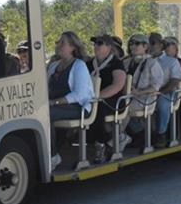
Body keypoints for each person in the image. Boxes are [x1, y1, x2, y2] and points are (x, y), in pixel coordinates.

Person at [47, 31, 94, 170]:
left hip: (78, 107)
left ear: (73, 47)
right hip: (58, 107)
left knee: (45, 114)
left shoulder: (79, 66)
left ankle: (53, 156)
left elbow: (79, 95)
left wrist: (54, 102)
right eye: (58, 42)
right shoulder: (53, 66)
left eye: (63, 43)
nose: (58, 46)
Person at [86, 34, 127, 163]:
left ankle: (100, 144)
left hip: (113, 101)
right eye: (95, 43)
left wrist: (98, 97)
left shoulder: (116, 63)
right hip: (92, 98)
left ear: (109, 46)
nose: (95, 46)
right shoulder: (89, 64)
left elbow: (118, 85)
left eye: (99, 43)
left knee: (98, 107)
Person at [123, 34, 164, 143]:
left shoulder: (152, 63)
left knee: (121, 109)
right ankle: (119, 137)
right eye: (131, 44)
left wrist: (139, 92)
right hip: (127, 97)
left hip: (143, 99)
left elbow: (155, 86)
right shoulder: (126, 62)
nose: (133, 46)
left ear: (145, 47)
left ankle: (116, 139)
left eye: (137, 44)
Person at [154, 38, 181, 147]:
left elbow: (175, 80)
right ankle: (138, 133)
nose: (151, 46)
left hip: (165, 91)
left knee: (162, 104)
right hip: (145, 92)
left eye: (154, 43)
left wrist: (161, 92)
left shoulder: (171, 61)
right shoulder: (145, 60)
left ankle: (161, 134)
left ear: (161, 46)